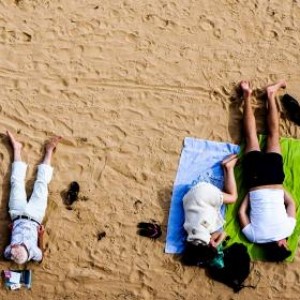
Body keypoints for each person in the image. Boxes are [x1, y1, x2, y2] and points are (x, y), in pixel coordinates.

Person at [238, 80, 296, 262]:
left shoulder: (288, 230)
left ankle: (271, 94)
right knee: (251, 138)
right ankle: (247, 95)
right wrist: (250, 195)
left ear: (282, 245)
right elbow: (241, 212)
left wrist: (280, 190)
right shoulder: (254, 237)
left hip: (274, 179)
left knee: (273, 135)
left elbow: (291, 205)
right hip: (254, 183)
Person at [4, 131, 62, 265]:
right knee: (41, 183)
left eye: (12, 246)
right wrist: (41, 236)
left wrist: (10, 231)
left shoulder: (9, 252)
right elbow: (41, 258)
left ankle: (17, 149)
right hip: (36, 216)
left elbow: (9, 249)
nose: (12, 245)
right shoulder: (34, 252)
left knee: (16, 182)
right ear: (26, 249)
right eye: (16, 246)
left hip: (16, 214)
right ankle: (49, 151)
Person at [181, 154, 238, 266]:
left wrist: (216, 243)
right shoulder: (189, 234)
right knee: (222, 196)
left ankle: (229, 167)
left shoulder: (206, 236)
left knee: (232, 197)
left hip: (203, 194)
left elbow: (223, 233)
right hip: (189, 197)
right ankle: (226, 167)